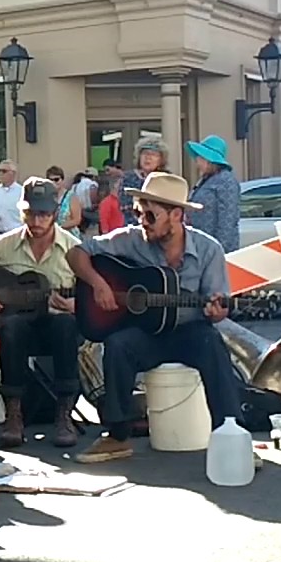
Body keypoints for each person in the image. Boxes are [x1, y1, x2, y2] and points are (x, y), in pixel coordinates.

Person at [66, 172, 242, 463]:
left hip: (189, 332)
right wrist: (98, 284)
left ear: (176, 214)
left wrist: (217, 311)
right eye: (138, 213)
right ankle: (117, 436)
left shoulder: (209, 250)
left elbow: (217, 304)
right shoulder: (130, 239)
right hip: (145, 334)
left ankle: (231, 432)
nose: (141, 222)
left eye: (149, 215)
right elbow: (76, 254)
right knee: (118, 344)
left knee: (211, 341)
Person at [0, 177, 82, 448]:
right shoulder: (5, 243)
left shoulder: (73, 248)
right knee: (13, 327)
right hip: (18, 327)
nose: (36, 221)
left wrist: (76, 305)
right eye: (30, 213)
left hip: (55, 326)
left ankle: (64, 415)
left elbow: (95, 292)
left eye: (43, 214)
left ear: (55, 212)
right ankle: (13, 414)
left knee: (65, 326)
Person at [186, 135, 241, 252]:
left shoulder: (226, 181)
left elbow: (227, 220)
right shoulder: (206, 180)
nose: (197, 161)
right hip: (201, 246)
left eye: (200, 157)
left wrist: (218, 250)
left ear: (209, 160)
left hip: (215, 250)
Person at [119, 137, 168, 226]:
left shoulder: (167, 179)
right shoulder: (128, 178)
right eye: (144, 153)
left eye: (153, 154)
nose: (148, 157)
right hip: (133, 227)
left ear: (161, 160)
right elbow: (125, 207)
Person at [0, 160, 24, 234]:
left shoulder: (22, 191)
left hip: (17, 233)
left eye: (4, 171)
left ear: (13, 173)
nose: (0, 174)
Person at [46, 166, 83, 239]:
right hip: (52, 237)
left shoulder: (71, 196)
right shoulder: (46, 197)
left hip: (69, 237)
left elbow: (77, 220)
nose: (53, 182)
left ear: (62, 180)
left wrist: (58, 227)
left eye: (56, 179)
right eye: (50, 180)